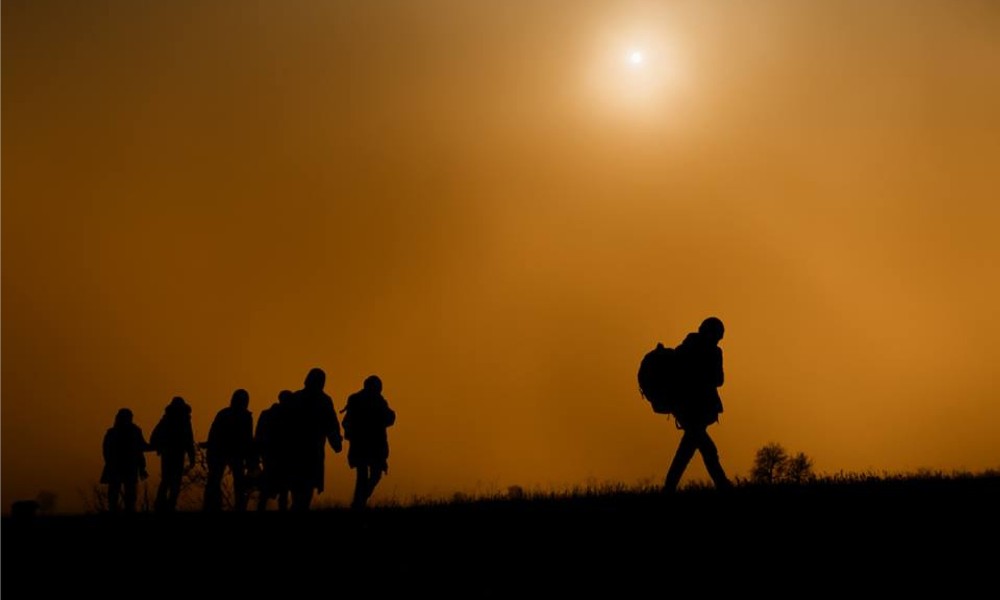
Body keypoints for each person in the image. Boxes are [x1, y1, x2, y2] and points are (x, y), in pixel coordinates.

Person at [663, 316, 733, 493]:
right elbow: (718, 379)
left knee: (688, 450)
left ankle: (669, 487)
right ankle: (722, 484)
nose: (719, 339)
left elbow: (716, 380)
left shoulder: (685, 348)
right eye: (718, 335)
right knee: (707, 450)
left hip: (688, 410)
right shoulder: (708, 352)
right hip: (694, 409)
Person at [284, 368, 343, 511]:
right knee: (304, 488)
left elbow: (331, 425)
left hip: (298, 450)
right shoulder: (323, 401)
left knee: (299, 488)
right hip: (308, 451)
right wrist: (336, 443)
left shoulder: (297, 398)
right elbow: (332, 425)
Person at [342, 375, 396, 510]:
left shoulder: (365, 400)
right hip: (370, 445)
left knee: (368, 475)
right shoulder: (371, 400)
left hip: (366, 445)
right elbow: (389, 418)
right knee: (370, 475)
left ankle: (359, 502)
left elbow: (389, 418)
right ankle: (359, 503)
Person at [202, 388, 255, 512]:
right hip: (229, 452)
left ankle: (213, 506)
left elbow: (213, 434)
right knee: (230, 481)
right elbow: (247, 439)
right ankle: (233, 506)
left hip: (225, 452)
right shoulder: (245, 417)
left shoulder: (225, 413)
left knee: (216, 481)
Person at [149, 396, 196, 513]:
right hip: (174, 453)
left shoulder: (168, 419)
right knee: (172, 481)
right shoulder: (181, 420)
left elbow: (189, 440)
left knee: (168, 480)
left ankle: (163, 505)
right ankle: (166, 505)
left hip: (170, 454)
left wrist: (159, 446)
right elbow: (189, 439)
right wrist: (191, 457)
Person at [100, 408, 149, 512]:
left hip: (124, 466)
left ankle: (123, 511)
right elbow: (141, 448)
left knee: (125, 492)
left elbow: (140, 449)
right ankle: (118, 511)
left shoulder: (113, 433)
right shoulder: (127, 432)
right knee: (117, 492)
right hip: (123, 466)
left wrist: (142, 467)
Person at [254, 390, 292, 511]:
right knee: (282, 488)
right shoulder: (289, 416)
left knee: (270, 487)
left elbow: (258, 435)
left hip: (270, 456)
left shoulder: (267, 414)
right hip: (278, 456)